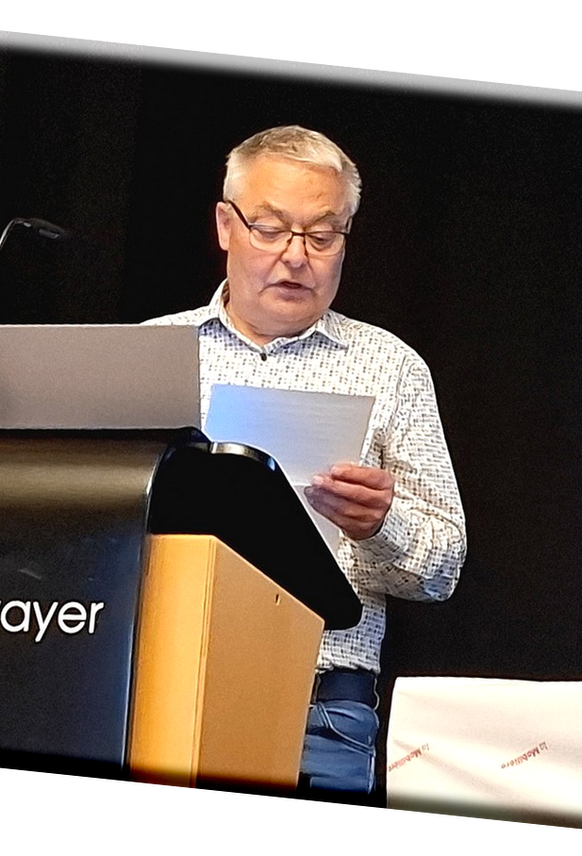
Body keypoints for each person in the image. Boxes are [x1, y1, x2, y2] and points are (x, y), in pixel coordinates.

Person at [145, 126, 467, 793]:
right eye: (269, 229)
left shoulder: (390, 366)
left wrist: (380, 524)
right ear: (225, 226)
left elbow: (443, 568)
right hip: (151, 678)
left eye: (322, 236)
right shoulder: (149, 352)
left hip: (321, 705)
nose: (295, 257)